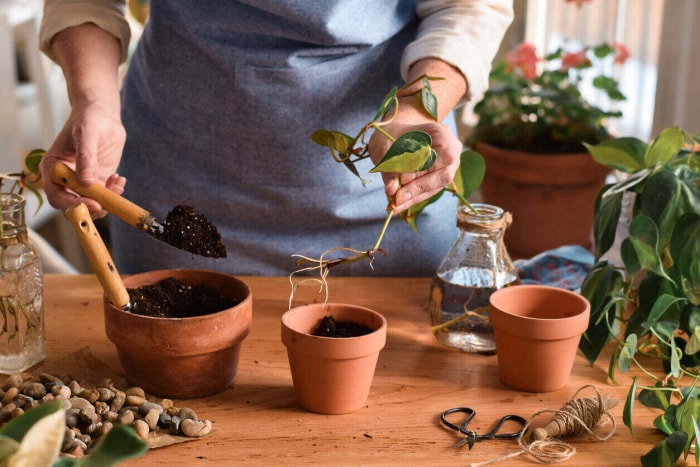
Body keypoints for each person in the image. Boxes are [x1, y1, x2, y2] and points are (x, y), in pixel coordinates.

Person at [39, 0, 513, 276]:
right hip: (178, 177)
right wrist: (94, 102)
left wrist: (411, 112)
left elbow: (468, 6)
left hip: (375, 199)